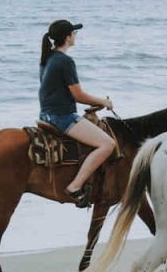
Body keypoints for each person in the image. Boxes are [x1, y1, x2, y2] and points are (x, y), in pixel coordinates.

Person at [38, 19, 116, 208]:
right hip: (62, 116)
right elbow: (78, 95)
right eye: (74, 33)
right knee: (108, 144)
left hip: (46, 114)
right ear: (67, 38)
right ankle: (75, 186)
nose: (75, 36)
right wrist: (103, 101)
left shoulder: (48, 58)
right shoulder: (65, 61)